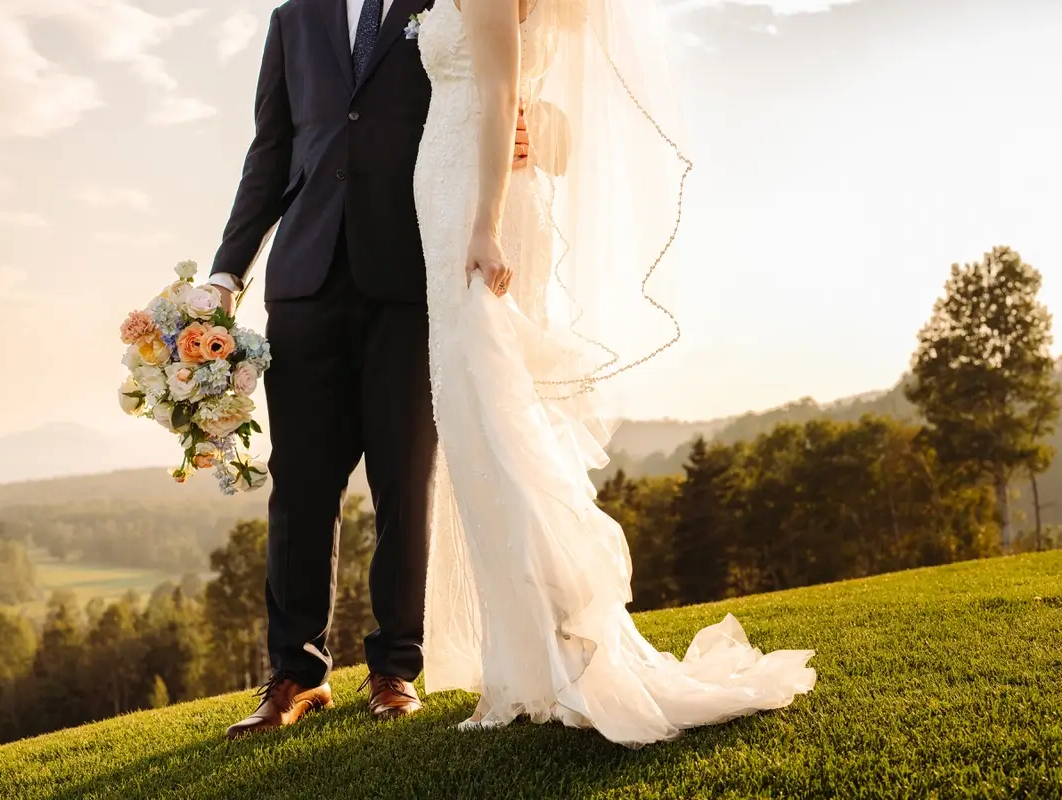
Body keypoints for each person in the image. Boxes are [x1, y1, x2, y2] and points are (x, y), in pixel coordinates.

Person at [413, 0, 818, 746]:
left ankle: (562, 655)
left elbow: (503, 92)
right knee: (476, 419)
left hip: (478, 206)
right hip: (452, 193)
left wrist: (485, 224)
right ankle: (524, 664)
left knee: (498, 417)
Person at [207, 0, 532, 739]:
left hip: (412, 274)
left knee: (403, 480)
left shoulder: (445, 6)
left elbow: (490, 92)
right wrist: (228, 272)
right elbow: (270, 150)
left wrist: (520, 133)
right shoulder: (292, 18)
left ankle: (395, 669)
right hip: (304, 280)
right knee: (301, 488)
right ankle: (295, 675)